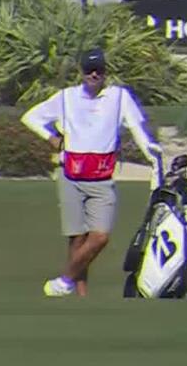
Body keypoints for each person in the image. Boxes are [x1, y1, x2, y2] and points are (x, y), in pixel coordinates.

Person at [20, 48, 162, 298]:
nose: (94, 74)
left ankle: (63, 282)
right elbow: (30, 117)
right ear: (82, 72)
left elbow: (137, 128)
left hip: (102, 178)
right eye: (89, 70)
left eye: (99, 70)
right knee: (76, 239)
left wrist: (152, 155)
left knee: (99, 237)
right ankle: (81, 298)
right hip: (71, 175)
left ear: (105, 72)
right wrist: (51, 137)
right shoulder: (66, 97)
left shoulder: (119, 97)